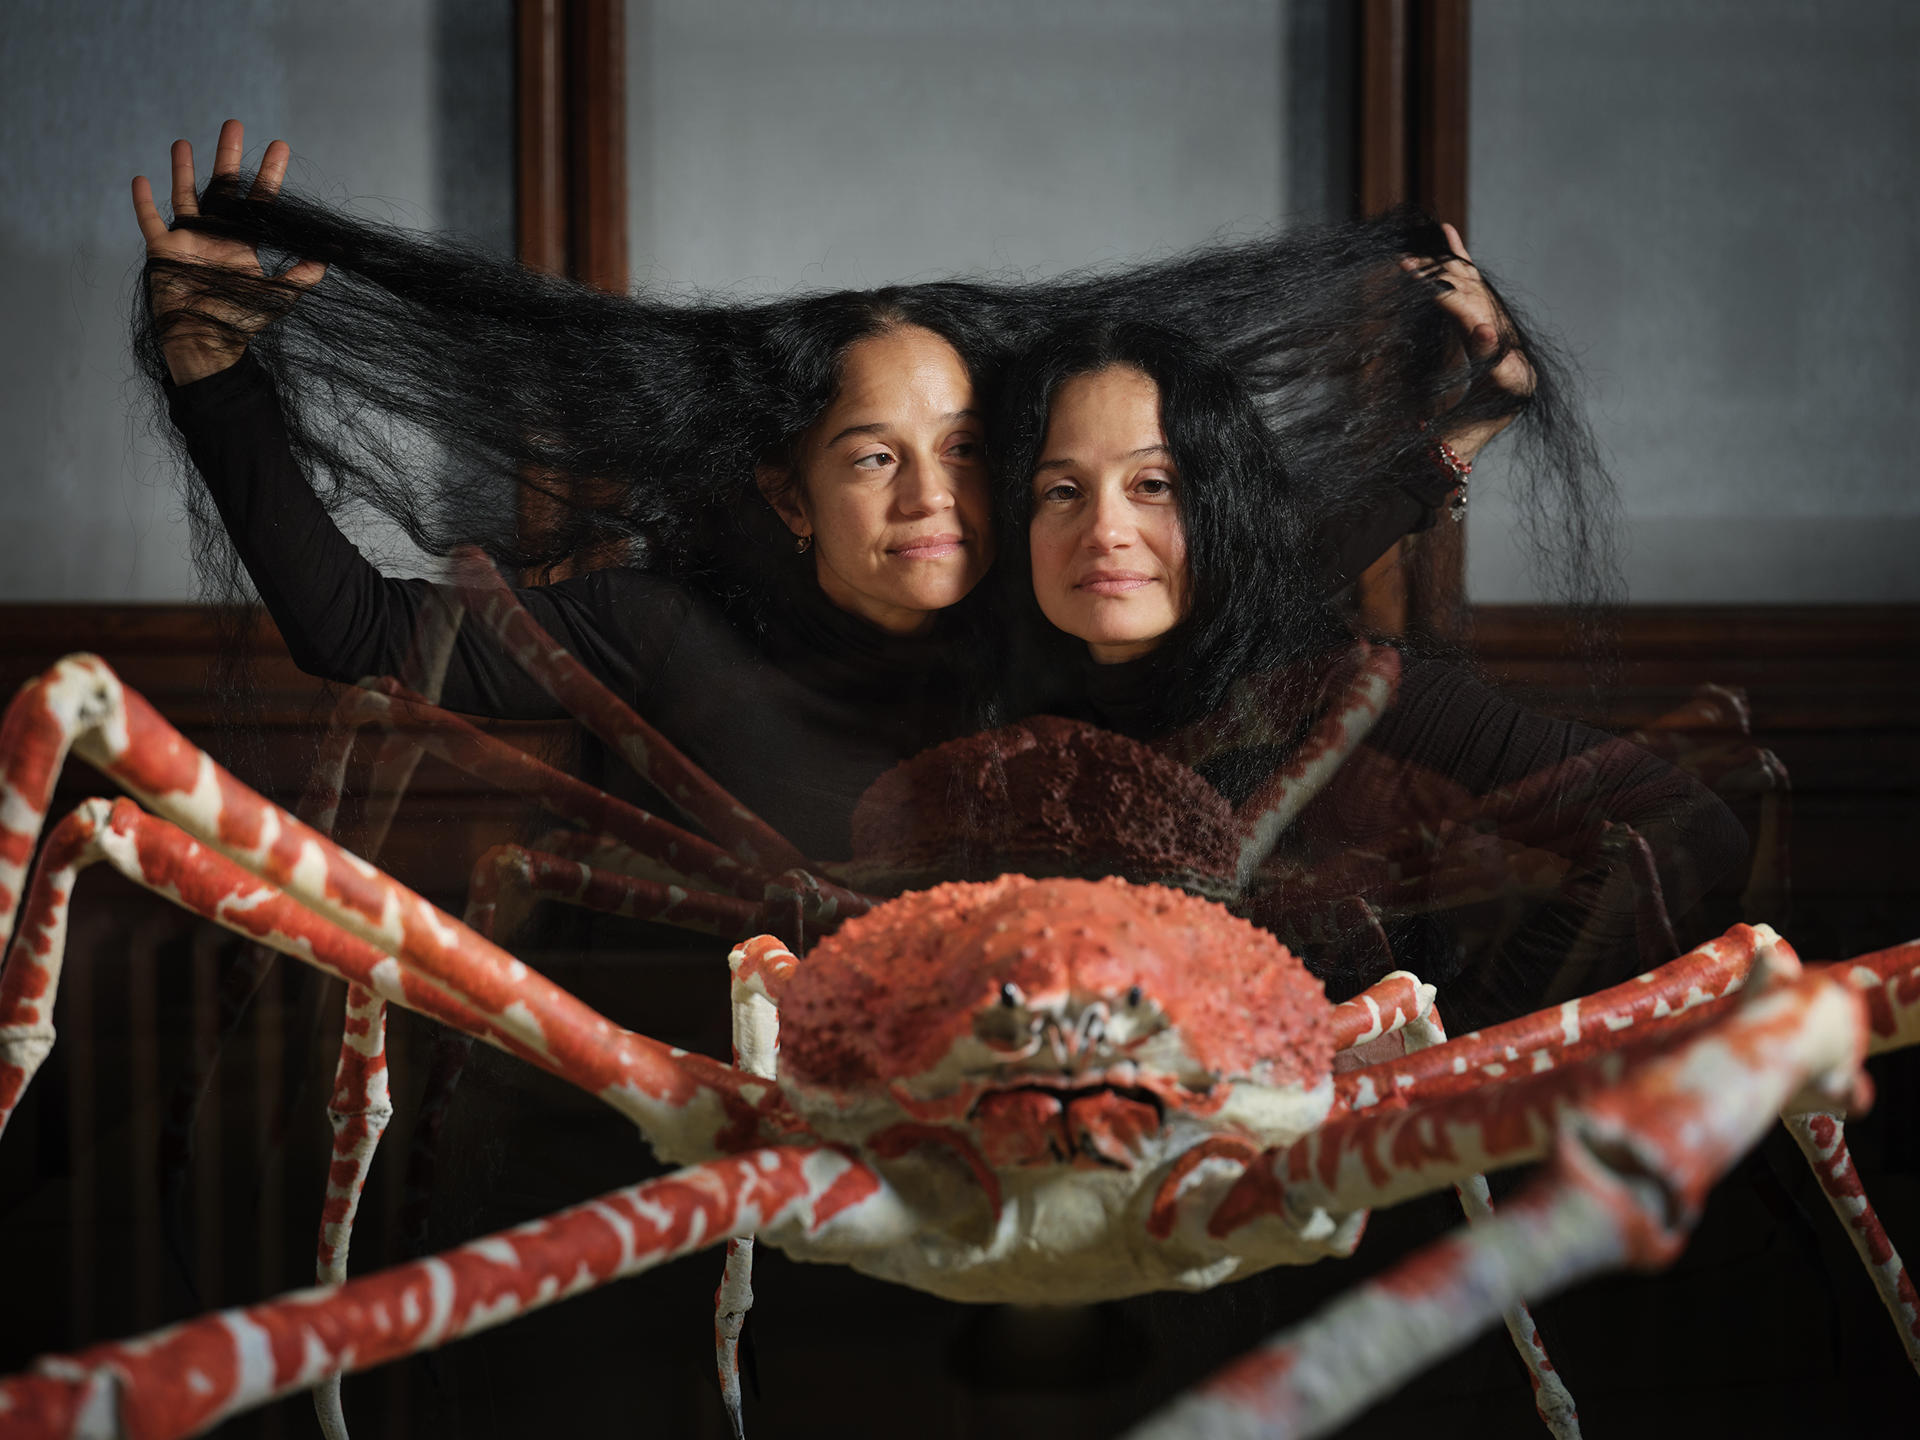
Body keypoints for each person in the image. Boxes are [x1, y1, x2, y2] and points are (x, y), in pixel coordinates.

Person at [132, 123, 1591, 862]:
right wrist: (216, 382)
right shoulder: (660, 630)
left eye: (965, 451)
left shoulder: (1055, 602)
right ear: (788, 489)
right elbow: (359, 637)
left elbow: (1252, 561)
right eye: (873, 456)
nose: (929, 494)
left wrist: (1461, 429)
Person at [994, 318, 1748, 1023]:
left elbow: (1689, 825)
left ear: (1222, 504)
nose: (1105, 532)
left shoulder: (1353, 699)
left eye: (1154, 485)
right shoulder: (1026, 726)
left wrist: (1465, 1044)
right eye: (1061, 491)